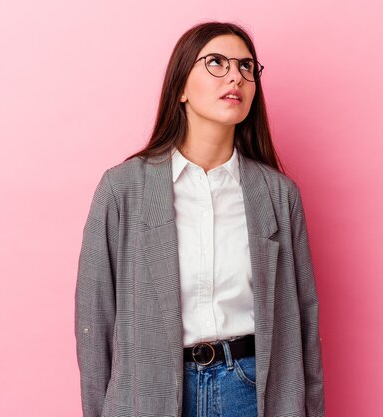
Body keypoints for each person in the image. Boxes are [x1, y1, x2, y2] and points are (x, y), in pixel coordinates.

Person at [75, 21, 325, 417]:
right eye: (216, 62)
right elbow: (94, 319)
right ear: (180, 88)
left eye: (246, 67)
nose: (235, 77)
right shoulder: (123, 189)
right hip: (150, 393)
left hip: (251, 389)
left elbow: (304, 320)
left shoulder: (279, 196)